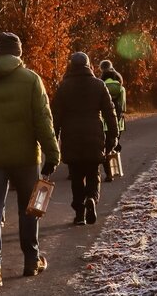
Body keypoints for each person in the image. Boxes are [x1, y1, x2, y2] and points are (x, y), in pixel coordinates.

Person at [0, 32, 60, 289]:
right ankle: (31, 260)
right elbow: (43, 119)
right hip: (25, 156)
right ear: (19, 53)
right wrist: (52, 153)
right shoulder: (31, 79)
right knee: (30, 208)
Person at [52, 52, 117, 226]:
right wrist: (113, 136)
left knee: (76, 175)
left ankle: (79, 213)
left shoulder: (64, 87)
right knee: (93, 172)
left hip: (71, 136)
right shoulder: (99, 85)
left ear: (71, 66)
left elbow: (55, 117)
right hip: (93, 135)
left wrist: (53, 139)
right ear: (89, 65)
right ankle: (92, 199)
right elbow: (110, 114)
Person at [98, 60, 126, 182]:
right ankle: (116, 169)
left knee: (105, 147)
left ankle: (109, 173)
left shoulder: (100, 83)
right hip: (118, 122)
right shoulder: (119, 83)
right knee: (113, 144)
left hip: (104, 122)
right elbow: (123, 106)